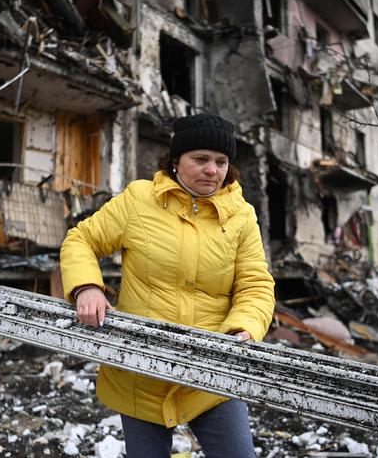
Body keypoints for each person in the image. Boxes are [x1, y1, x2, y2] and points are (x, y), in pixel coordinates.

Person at [60, 113, 276, 458]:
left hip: (210, 371)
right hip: (140, 366)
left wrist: (245, 328)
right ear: (176, 161)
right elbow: (81, 240)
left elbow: (255, 284)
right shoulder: (139, 199)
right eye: (201, 159)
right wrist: (87, 287)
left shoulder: (241, 215)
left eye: (221, 162)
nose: (212, 170)